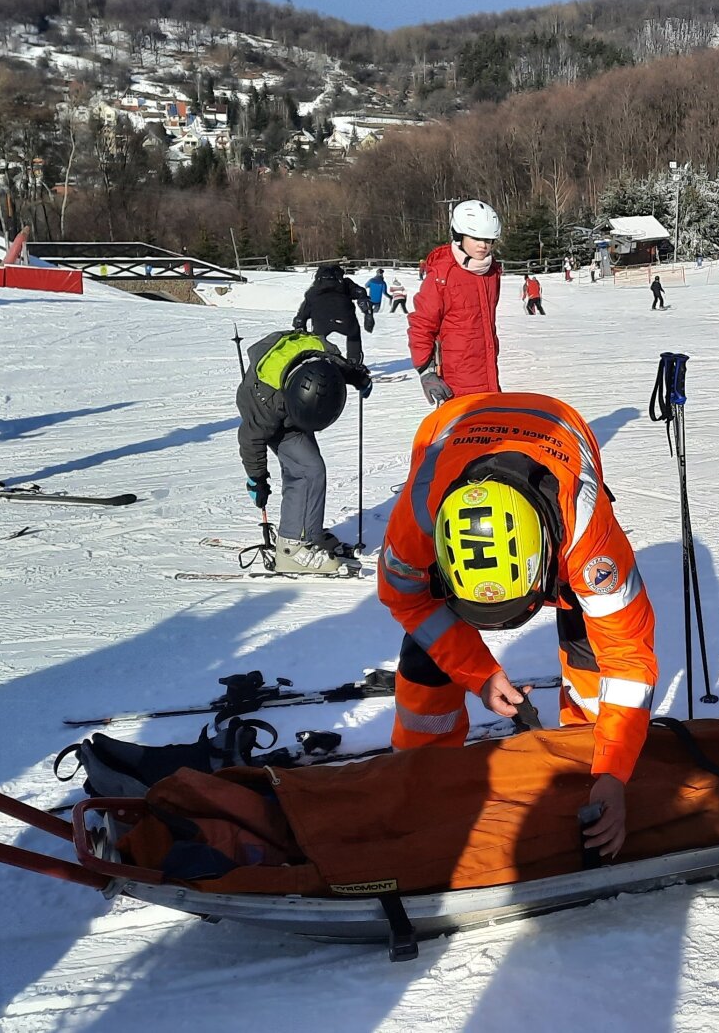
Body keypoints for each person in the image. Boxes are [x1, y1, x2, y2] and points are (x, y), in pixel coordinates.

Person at [376, 391, 658, 858]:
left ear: (547, 558)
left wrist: (613, 773)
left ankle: (585, 753)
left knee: (590, 639)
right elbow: (409, 603)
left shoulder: (589, 539)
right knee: (427, 650)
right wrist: (478, 672)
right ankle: (421, 775)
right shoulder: (418, 517)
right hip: (450, 427)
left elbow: (628, 657)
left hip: (560, 427)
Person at [236, 326, 372, 573]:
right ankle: (291, 548)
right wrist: (256, 479)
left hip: (300, 399)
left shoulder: (326, 357)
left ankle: (310, 535)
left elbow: (340, 365)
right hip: (269, 401)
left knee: (314, 469)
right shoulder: (265, 403)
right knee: (305, 471)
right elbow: (250, 439)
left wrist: (357, 376)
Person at [408, 199, 503, 407]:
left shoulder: (492, 272)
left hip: (488, 375)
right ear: (459, 236)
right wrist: (426, 371)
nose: (483, 245)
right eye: (476, 238)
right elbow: (422, 325)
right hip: (455, 382)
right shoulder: (442, 275)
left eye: (488, 240)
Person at [292, 263, 374, 364]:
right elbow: (361, 294)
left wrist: (300, 327)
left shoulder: (313, 291)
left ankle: (320, 362)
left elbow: (303, 313)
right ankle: (354, 363)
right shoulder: (346, 284)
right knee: (353, 335)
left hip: (321, 323)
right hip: (345, 320)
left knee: (317, 340)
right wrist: (368, 314)